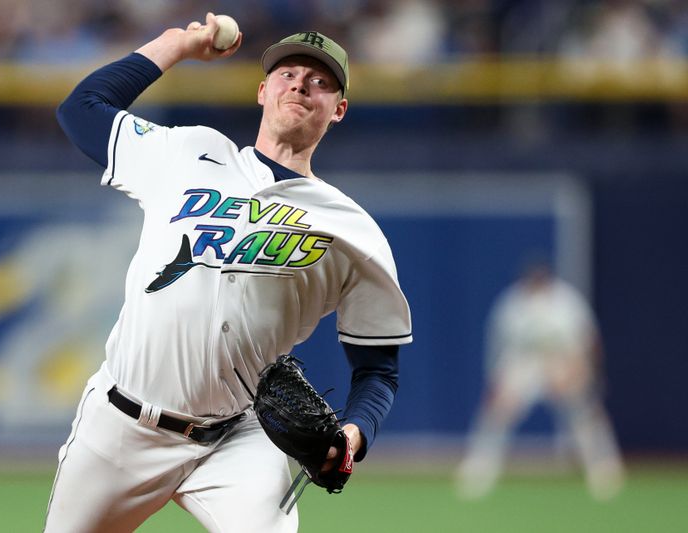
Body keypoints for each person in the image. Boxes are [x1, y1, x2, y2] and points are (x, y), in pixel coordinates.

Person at [45, 13, 412, 532]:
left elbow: (378, 369)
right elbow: (80, 111)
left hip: (239, 437)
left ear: (339, 109)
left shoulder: (353, 231)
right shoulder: (187, 152)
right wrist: (174, 46)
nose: (301, 85)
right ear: (262, 91)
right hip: (121, 427)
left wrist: (355, 432)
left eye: (320, 81)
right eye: (288, 74)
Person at [455, 257, 625, 501]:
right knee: (497, 411)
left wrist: (587, 373)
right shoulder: (513, 302)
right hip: (525, 362)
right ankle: (479, 470)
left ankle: (604, 471)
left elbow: (588, 340)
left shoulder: (567, 300)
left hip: (561, 360)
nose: (537, 285)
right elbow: (499, 346)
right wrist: (498, 380)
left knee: (585, 412)